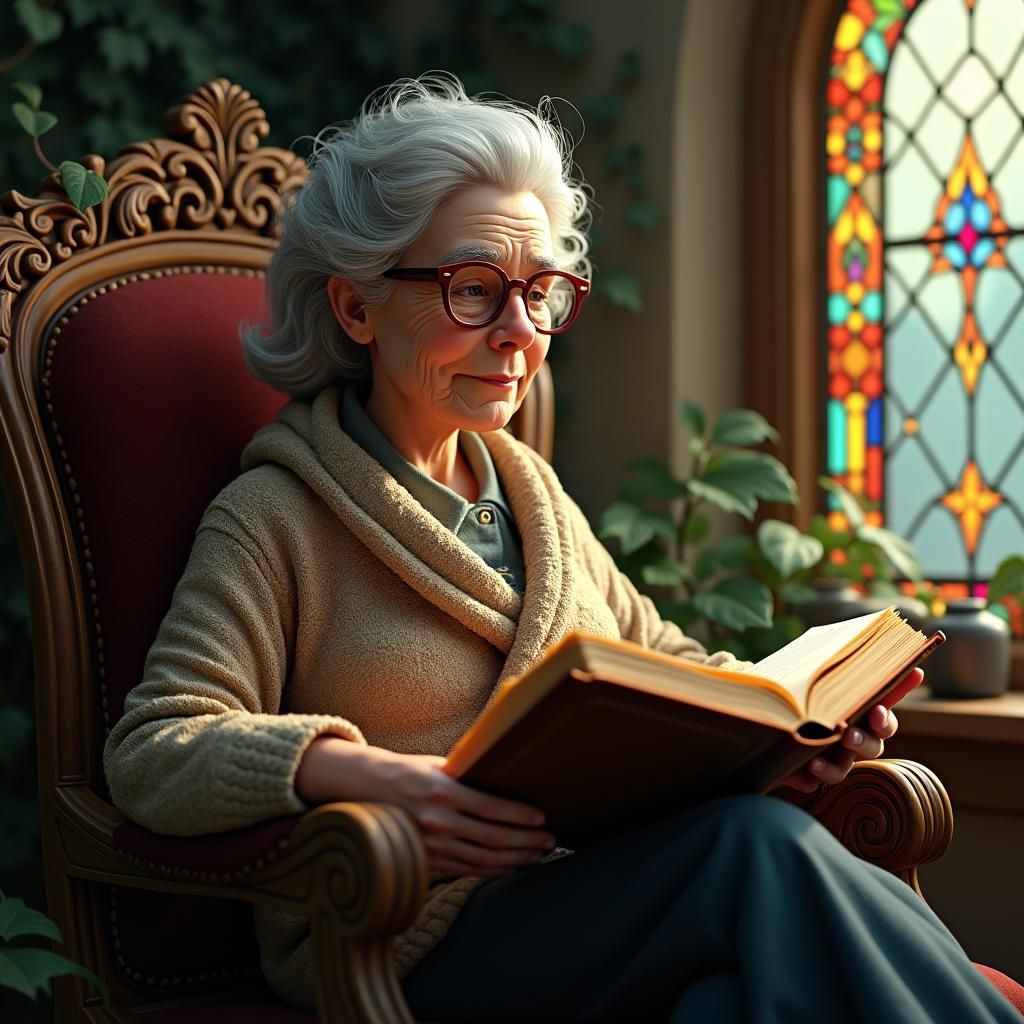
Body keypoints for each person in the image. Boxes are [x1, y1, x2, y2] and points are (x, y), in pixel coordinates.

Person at [102, 74, 1018, 1022]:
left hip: (604, 909)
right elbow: (155, 747)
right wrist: (362, 772)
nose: (518, 334)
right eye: (473, 290)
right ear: (355, 307)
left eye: (541, 292)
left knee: (725, 1007)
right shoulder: (275, 518)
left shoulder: (534, 496)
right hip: (410, 938)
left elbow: (672, 666)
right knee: (746, 847)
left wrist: (800, 731)